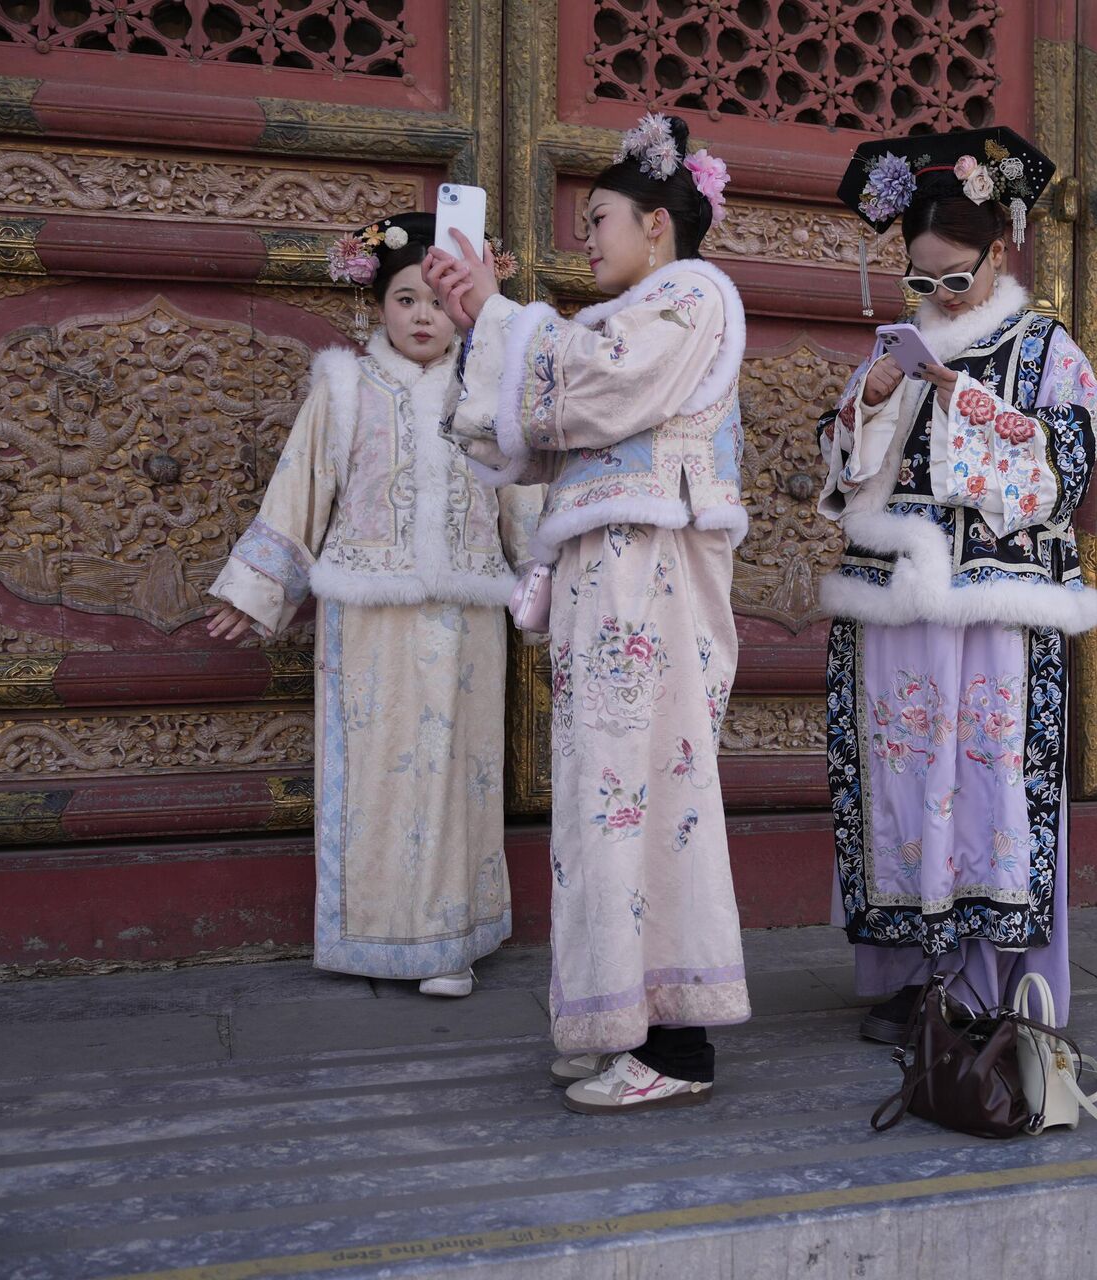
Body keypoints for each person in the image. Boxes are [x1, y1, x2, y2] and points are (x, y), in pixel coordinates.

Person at [424, 113, 750, 1112]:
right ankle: (627, 1020)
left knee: (646, 796)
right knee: (611, 800)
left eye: (600, 219)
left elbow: (596, 384)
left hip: (649, 581)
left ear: (658, 224)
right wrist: (496, 319)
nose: (588, 240)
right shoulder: (648, 302)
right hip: (615, 586)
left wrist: (502, 315)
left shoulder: (693, 294)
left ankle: (678, 1044)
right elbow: (547, 414)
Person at [816, 127, 1097, 1043]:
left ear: (999, 251)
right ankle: (916, 975)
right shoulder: (895, 351)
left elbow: (1069, 463)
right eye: (922, 281)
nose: (940, 296)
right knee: (905, 786)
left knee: (986, 788)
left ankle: (986, 983)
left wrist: (961, 397)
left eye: (956, 278)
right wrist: (867, 405)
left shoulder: (1045, 347)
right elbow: (844, 473)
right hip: (896, 600)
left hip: (995, 612)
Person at [206, 211, 540, 996]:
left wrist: (554, 596)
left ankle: (449, 943)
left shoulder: (489, 390)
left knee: (458, 776)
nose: (423, 316)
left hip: (465, 621)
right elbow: (301, 489)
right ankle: (381, 936)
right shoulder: (344, 385)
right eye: (405, 300)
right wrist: (257, 590)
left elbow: (525, 504)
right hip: (369, 623)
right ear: (377, 306)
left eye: (436, 300)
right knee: (380, 779)